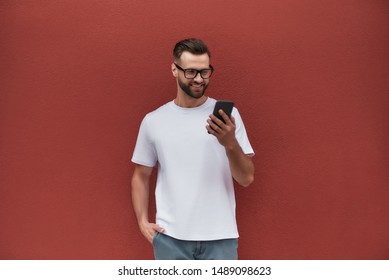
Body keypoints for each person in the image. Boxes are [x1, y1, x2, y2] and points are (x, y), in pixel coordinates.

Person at [131, 38, 254, 260]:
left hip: (221, 237)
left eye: (205, 72)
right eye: (190, 72)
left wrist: (230, 143)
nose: (198, 79)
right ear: (174, 69)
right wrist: (142, 222)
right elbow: (141, 175)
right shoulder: (154, 121)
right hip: (170, 238)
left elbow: (246, 178)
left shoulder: (229, 117)